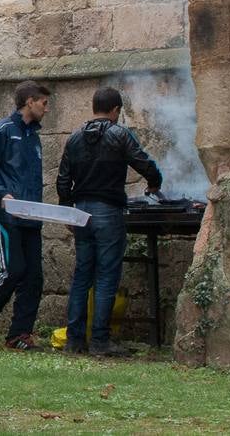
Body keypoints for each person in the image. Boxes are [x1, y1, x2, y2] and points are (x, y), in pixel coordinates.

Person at [56, 86, 164, 357]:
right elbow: (143, 163)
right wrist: (154, 183)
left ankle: (75, 340)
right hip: (107, 211)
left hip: (81, 211)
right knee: (106, 276)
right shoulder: (120, 134)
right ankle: (101, 341)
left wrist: (67, 207)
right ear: (116, 110)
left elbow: (63, 179)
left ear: (94, 107)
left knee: (82, 275)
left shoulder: (75, 137)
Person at [0, 80, 51, 352]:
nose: (46, 108)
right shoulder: (2, 131)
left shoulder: (34, 137)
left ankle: (19, 335)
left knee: (34, 277)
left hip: (31, 216)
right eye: (43, 102)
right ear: (29, 101)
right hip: (6, 215)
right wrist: (2, 194)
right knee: (13, 269)